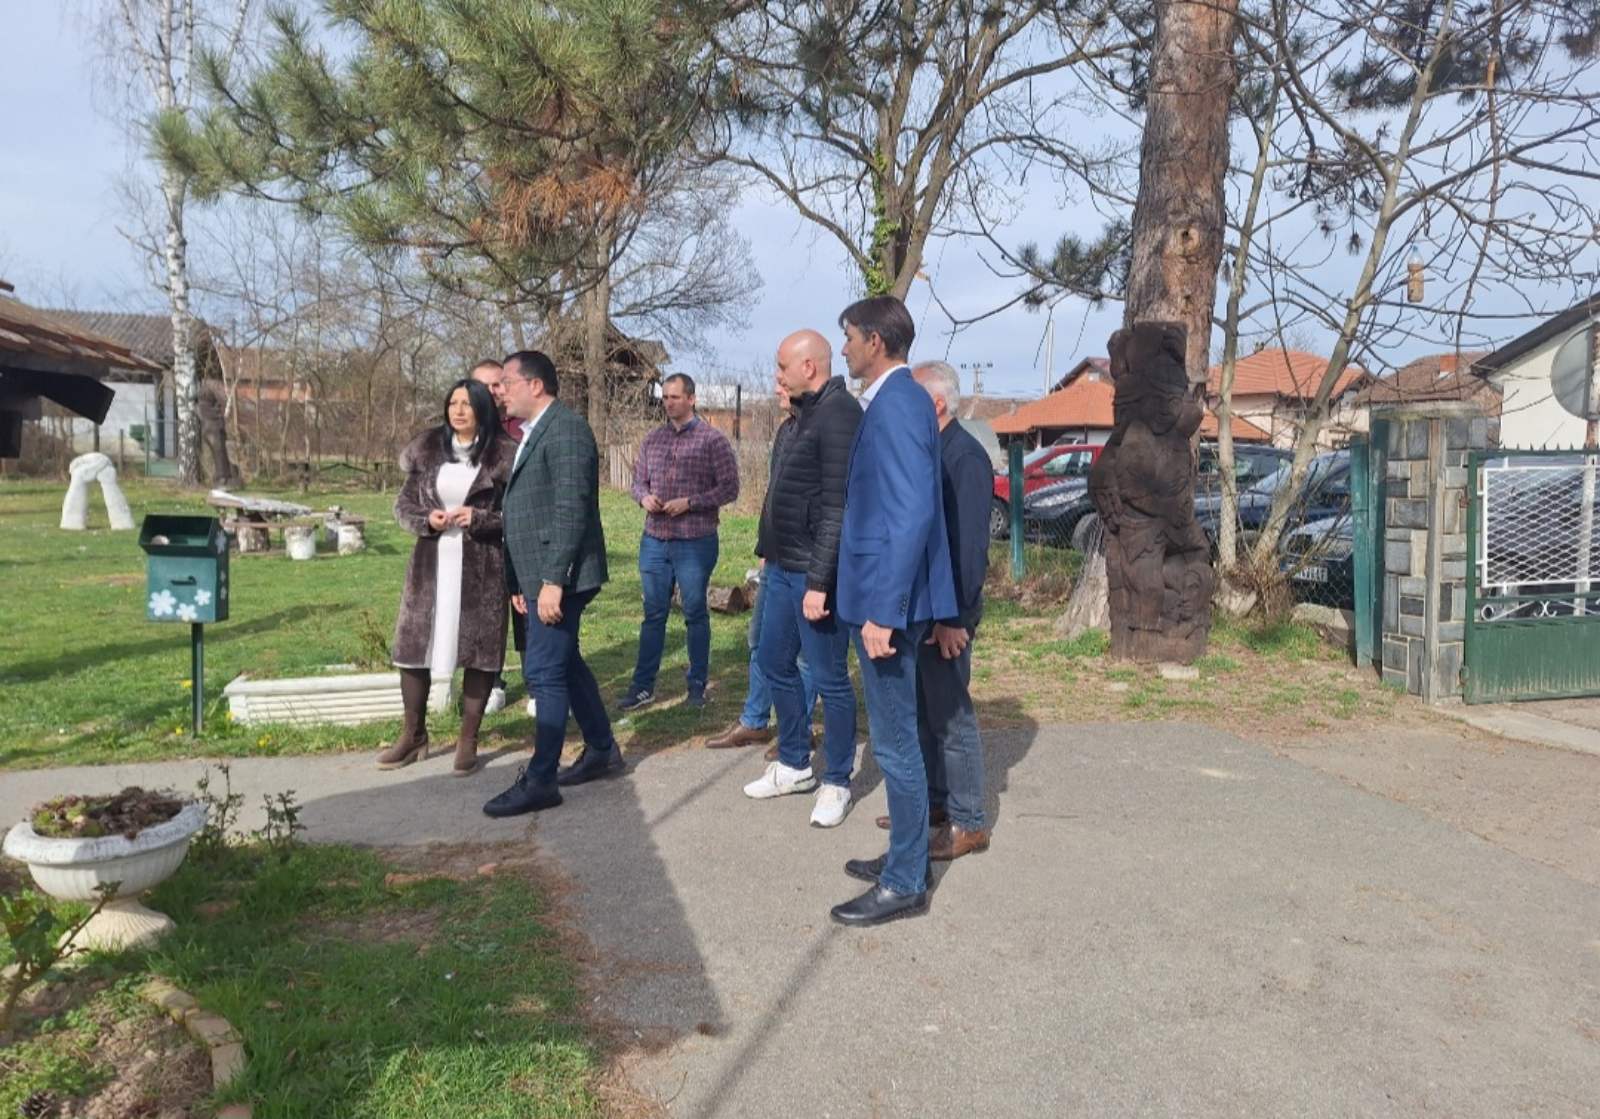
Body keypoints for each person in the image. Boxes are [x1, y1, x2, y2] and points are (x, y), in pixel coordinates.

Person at [830, 296, 956, 926]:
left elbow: (910, 514)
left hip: (887, 604)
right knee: (897, 739)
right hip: (884, 594)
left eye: (850, 337)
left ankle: (906, 881)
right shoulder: (895, 400)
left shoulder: (899, 402)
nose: (845, 348)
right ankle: (907, 856)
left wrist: (885, 611)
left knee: (896, 743)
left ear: (875, 341)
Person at [484, 351, 624, 818]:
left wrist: (551, 581)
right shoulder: (534, 430)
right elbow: (529, 508)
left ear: (535, 385)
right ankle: (601, 748)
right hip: (539, 575)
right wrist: (521, 580)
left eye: (506, 382)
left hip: (561, 575)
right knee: (565, 662)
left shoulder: (566, 430)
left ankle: (541, 779)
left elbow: (570, 510)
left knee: (544, 671)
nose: (500, 391)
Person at [740, 329, 863, 828]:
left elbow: (838, 507)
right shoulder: (797, 421)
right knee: (773, 661)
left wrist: (820, 581)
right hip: (780, 567)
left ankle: (837, 780)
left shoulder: (839, 415)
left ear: (808, 367)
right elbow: (780, 497)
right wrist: (765, 556)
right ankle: (794, 764)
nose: (776, 376)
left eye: (781, 367)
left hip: (815, 575)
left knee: (830, 679)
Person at [381, 378, 516, 777]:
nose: (457, 410)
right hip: (430, 564)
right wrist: (428, 519)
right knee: (413, 649)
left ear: (482, 410)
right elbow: (403, 506)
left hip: (482, 567)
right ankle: (413, 734)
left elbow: (517, 515)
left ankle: (468, 739)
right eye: (453, 402)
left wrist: (481, 518)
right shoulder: (427, 449)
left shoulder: (504, 455)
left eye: (467, 404)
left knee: (480, 650)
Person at [898, 360, 993, 861]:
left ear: (936, 403)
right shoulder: (931, 450)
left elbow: (970, 549)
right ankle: (937, 804)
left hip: (948, 616)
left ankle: (968, 820)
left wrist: (954, 618)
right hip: (927, 612)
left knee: (952, 718)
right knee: (926, 714)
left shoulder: (965, 457)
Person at [706, 379, 819, 753]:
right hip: (775, 557)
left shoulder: (821, 429)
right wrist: (764, 547)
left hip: (806, 561)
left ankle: (797, 729)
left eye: (783, 381)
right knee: (759, 641)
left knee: (802, 655)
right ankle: (754, 721)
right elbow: (775, 495)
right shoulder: (786, 430)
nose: (776, 389)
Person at [618, 373, 740, 711]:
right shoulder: (653, 440)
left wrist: (690, 502)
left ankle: (697, 685)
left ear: (691, 399)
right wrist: (644, 498)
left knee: (695, 612)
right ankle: (643, 687)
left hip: (694, 540)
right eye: (665, 397)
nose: (668, 403)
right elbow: (637, 483)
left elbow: (730, 488)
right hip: (655, 539)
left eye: (675, 397)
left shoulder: (712, 440)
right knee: (653, 614)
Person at [471, 357, 523, 715]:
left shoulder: (520, 427)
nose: (492, 392)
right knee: (484, 616)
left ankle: (536, 682)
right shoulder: (462, 429)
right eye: (484, 385)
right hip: (478, 536)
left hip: (516, 530)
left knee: (525, 611)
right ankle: (490, 683)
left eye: (497, 384)